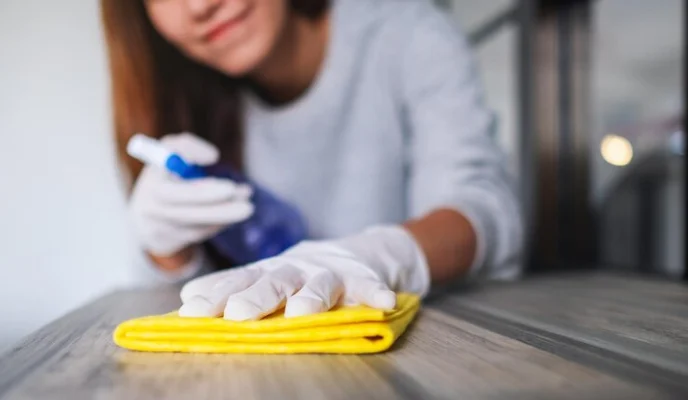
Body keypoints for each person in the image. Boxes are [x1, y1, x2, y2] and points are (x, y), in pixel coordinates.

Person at [102, 0, 524, 321]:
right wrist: (166, 250)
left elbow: (483, 209)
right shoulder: (182, 100)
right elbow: (166, 317)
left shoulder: (406, 33)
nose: (200, 6)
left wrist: (383, 256)